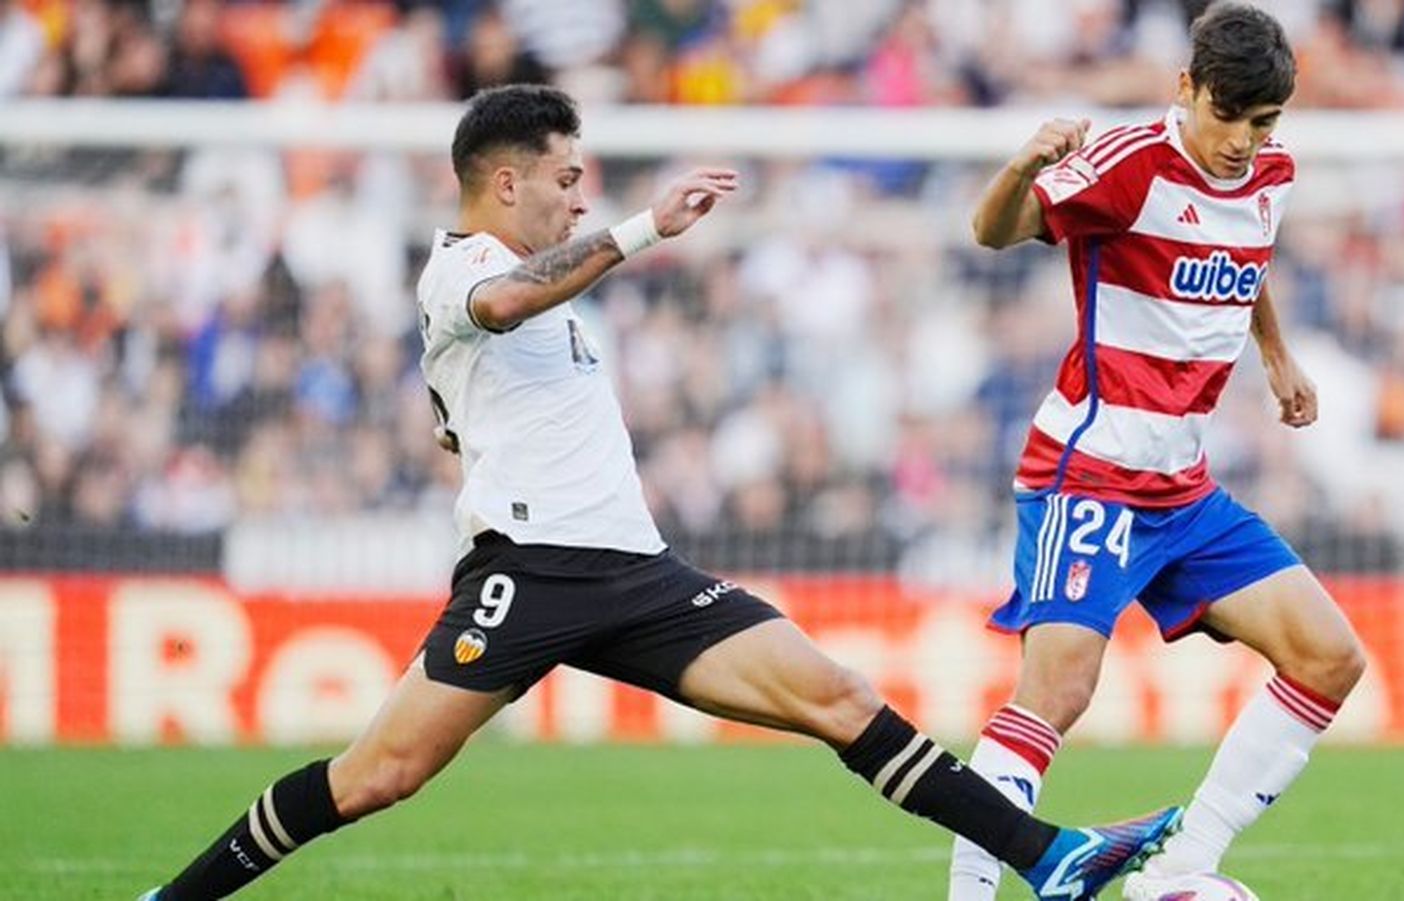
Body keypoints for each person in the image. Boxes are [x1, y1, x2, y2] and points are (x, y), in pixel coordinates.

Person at [138, 84, 1179, 901]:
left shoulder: (534, 296)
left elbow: (472, 398)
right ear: (506, 185)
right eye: (565, 177)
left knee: (842, 699)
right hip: (530, 575)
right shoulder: (455, 271)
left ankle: (1048, 858)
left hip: (637, 575)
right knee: (376, 776)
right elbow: (500, 304)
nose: (578, 195)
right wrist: (642, 229)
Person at [946, 5, 1366, 901]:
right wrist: (1024, 161)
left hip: (1183, 490)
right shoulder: (1128, 165)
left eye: (1264, 124)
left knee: (1331, 655)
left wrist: (1278, 353)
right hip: (1088, 475)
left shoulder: (1271, 173)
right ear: (1187, 89)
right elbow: (990, 233)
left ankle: (1179, 867)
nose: (1244, 143)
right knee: (1054, 695)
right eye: (1230, 118)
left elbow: (1246, 257)